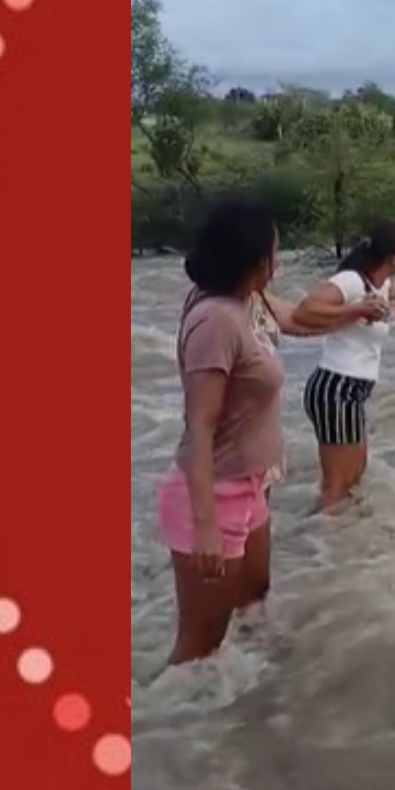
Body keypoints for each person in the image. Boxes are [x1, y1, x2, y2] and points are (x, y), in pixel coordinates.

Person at [157, 194, 288, 665]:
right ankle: (164, 728)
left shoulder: (241, 305)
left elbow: (289, 318)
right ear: (255, 262)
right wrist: (205, 525)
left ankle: (242, 712)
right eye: (276, 252)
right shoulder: (216, 320)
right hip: (215, 493)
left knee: (255, 598)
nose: (280, 260)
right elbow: (199, 425)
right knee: (200, 645)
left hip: (249, 486)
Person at [294, 219, 395, 513]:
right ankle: (319, 541)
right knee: (338, 484)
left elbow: (392, 290)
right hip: (336, 387)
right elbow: (306, 308)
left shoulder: (380, 284)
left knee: (356, 473)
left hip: (350, 391)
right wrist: (358, 309)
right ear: (394, 257)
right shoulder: (351, 281)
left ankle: (341, 543)